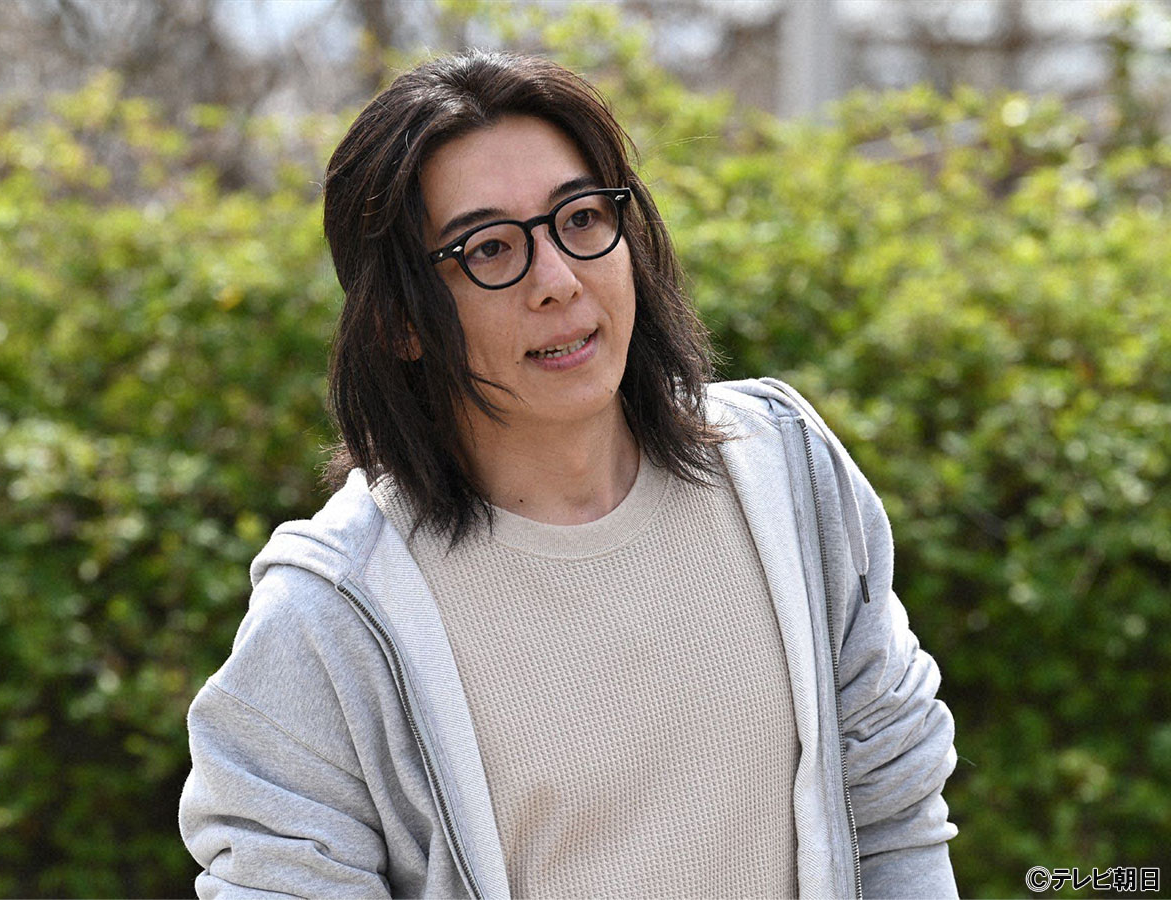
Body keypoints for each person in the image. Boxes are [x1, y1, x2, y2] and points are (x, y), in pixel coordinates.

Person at [179, 50, 958, 900]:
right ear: (400, 322)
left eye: (582, 218)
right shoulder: (332, 613)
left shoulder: (786, 476)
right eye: (489, 249)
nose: (557, 281)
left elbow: (893, 817)